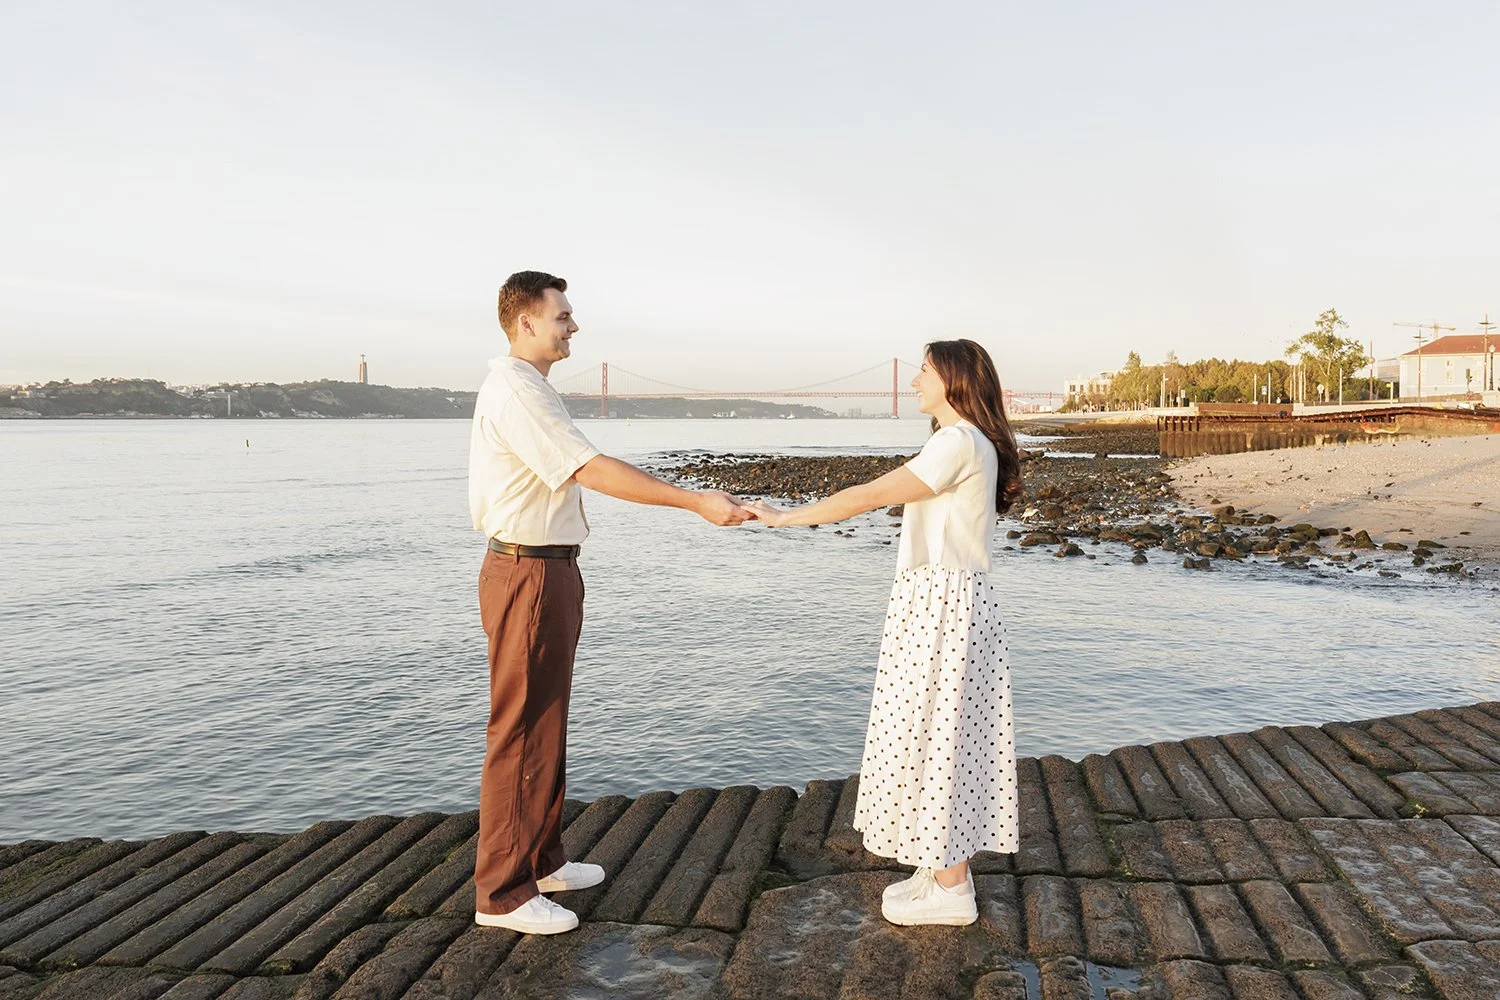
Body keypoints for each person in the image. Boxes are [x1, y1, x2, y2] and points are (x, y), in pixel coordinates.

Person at [468, 270, 753, 935]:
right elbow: (589, 468)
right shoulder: (517, 390)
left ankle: (539, 861)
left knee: (546, 723)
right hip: (528, 573)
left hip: (547, 569)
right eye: (563, 315)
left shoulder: (532, 388)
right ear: (527, 322)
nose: (573, 325)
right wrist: (695, 501)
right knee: (520, 728)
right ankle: (501, 895)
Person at [747, 339, 1023, 926]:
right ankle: (946, 865)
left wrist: (783, 516)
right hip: (953, 602)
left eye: (924, 371)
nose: (915, 380)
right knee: (946, 733)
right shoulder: (965, 440)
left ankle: (951, 890)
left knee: (935, 732)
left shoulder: (956, 442)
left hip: (942, 607)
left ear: (953, 380)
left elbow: (873, 495)